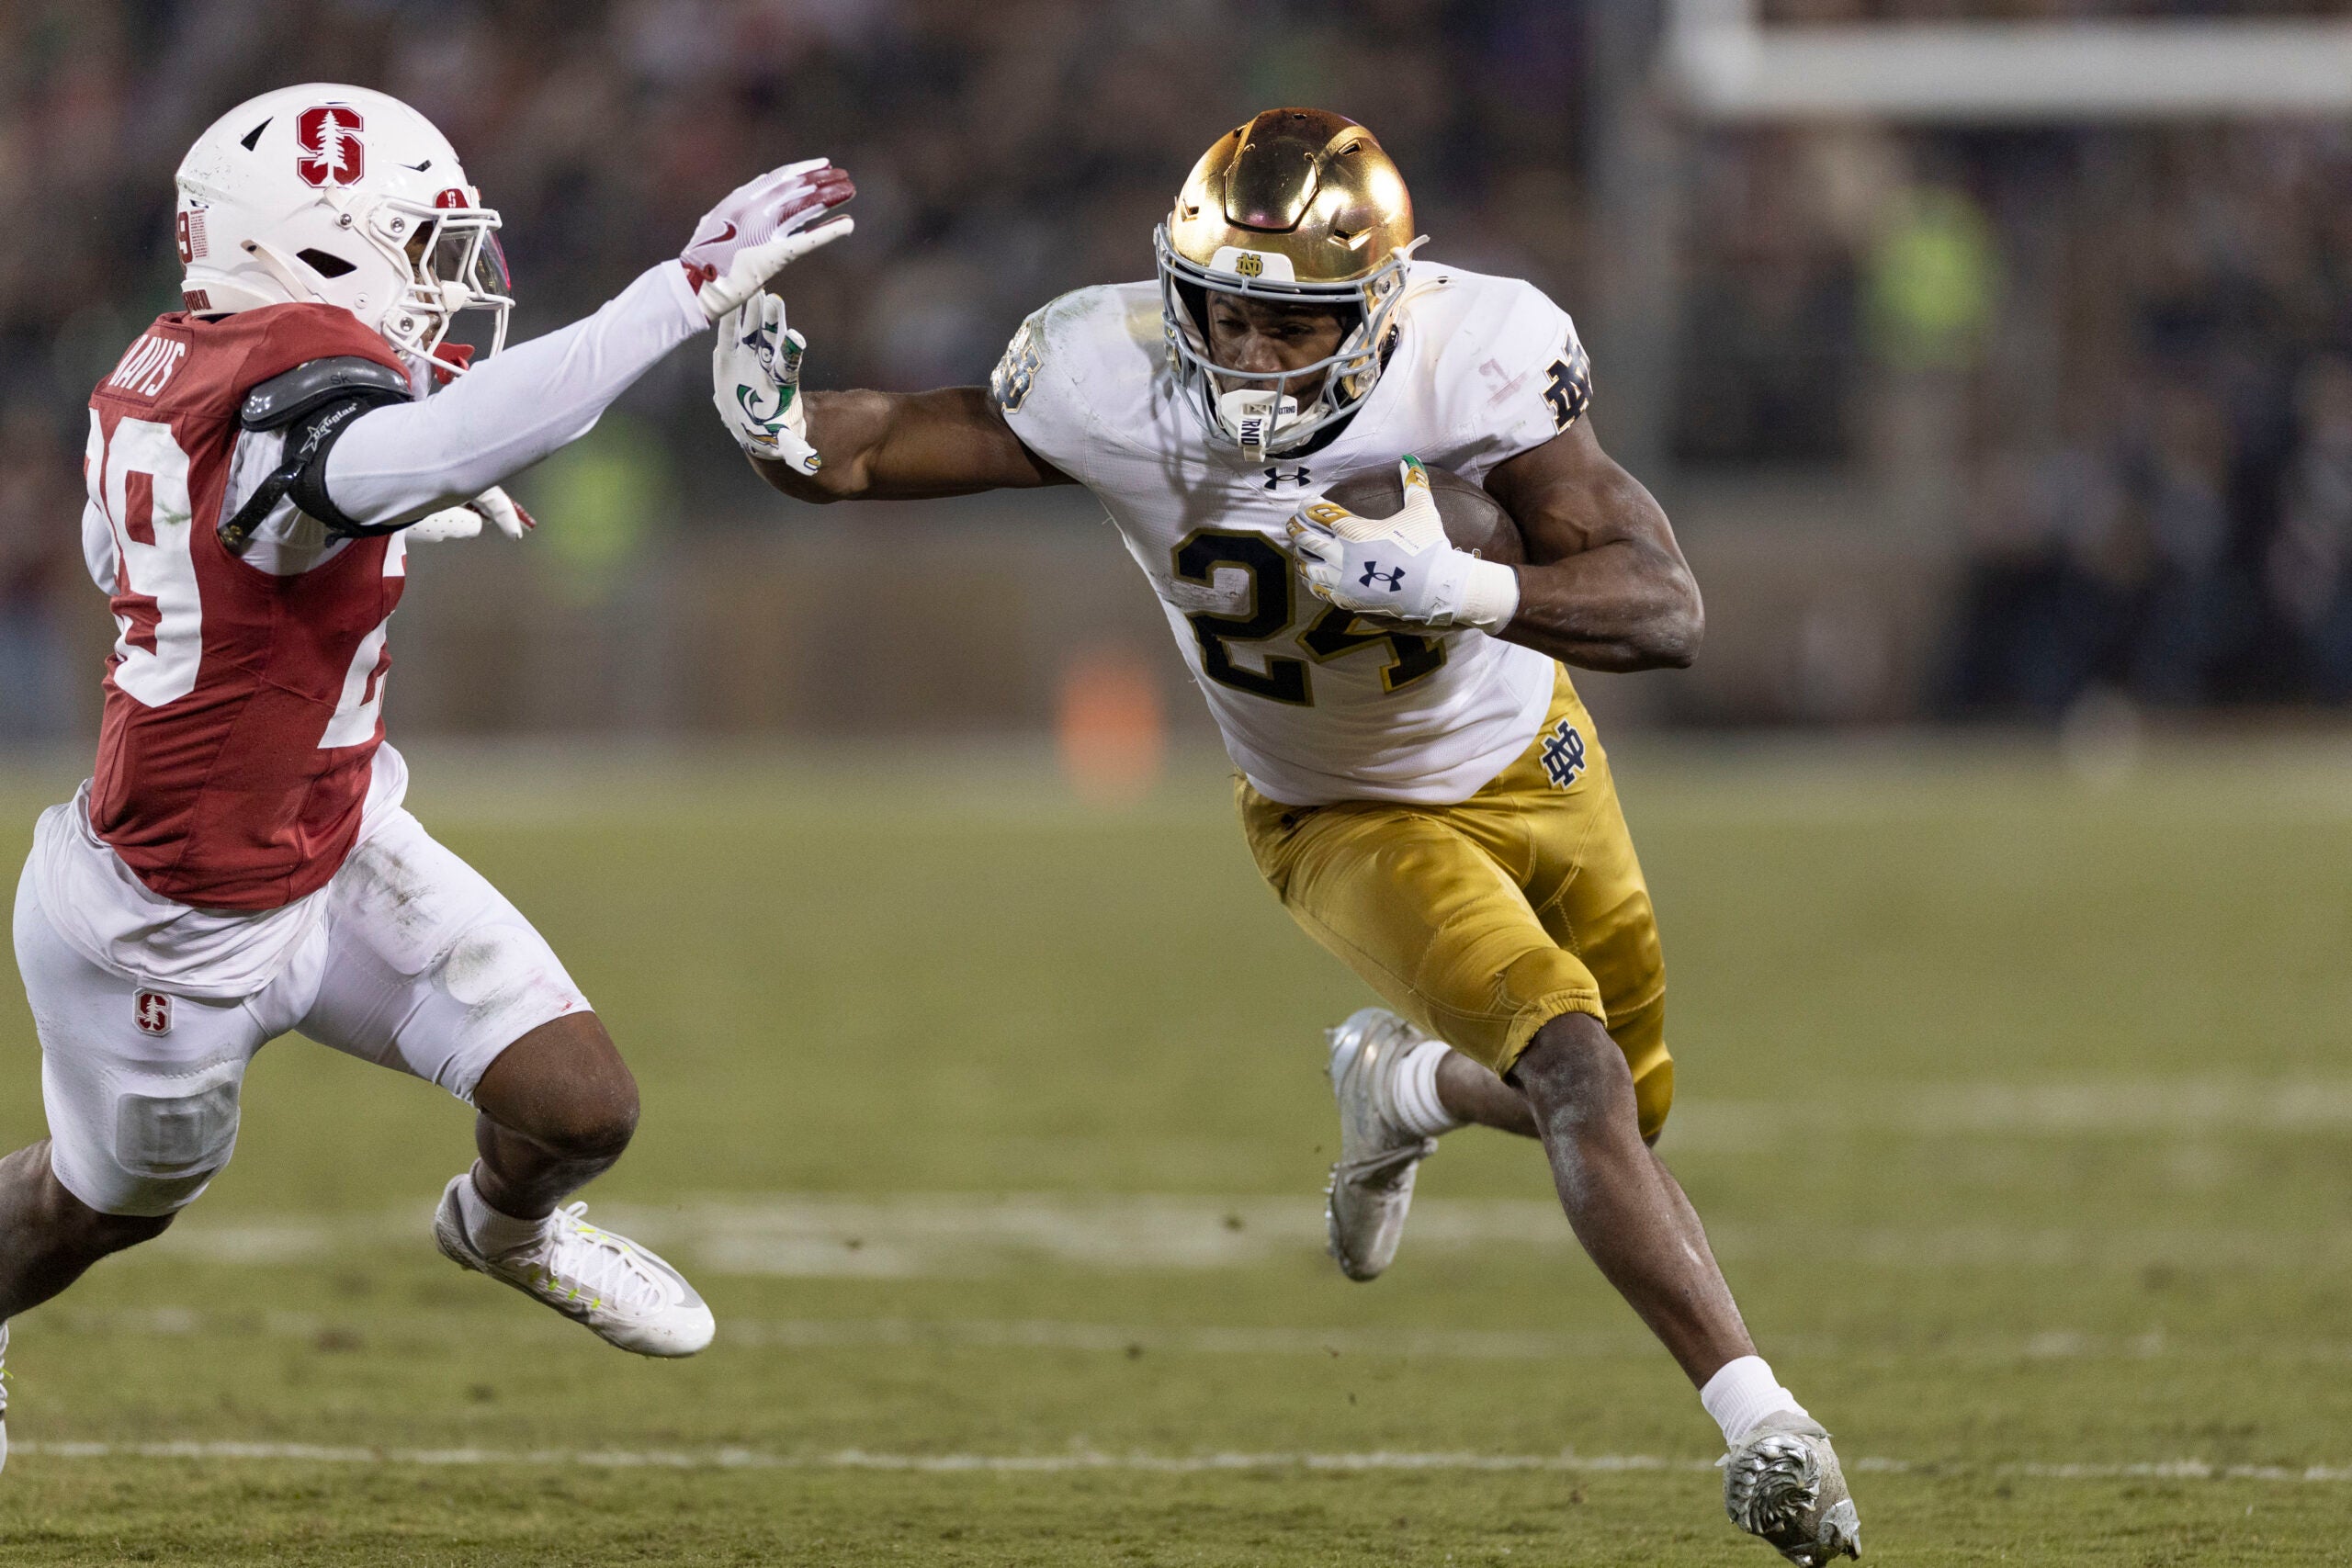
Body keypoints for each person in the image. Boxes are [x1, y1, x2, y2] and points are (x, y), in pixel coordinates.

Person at [714, 108, 1861, 1564]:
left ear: (1380, 304)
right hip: (1338, 813)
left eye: (1291, 323)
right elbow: (872, 449)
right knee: (1576, 1071)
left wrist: (1468, 590)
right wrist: (772, 422)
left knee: (1628, 1108)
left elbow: (1667, 607)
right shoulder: (1106, 370)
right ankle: (1766, 1426)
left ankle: (1407, 1087)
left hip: (1535, 757)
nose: (1250, 355)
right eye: (1225, 315)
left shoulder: (1478, 354)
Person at [0, 82, 854, 1466]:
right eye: (419, 244)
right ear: (309, 242)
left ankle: (504, 1232)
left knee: (581, 1106)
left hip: (334, 837)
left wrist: (357, 499)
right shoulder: (281, 395)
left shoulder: (171, 360)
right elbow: (431, 439)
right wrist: (680, 292)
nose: (448, 283)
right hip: (170, 919)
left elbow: (136, 548)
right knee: (94, 1213)